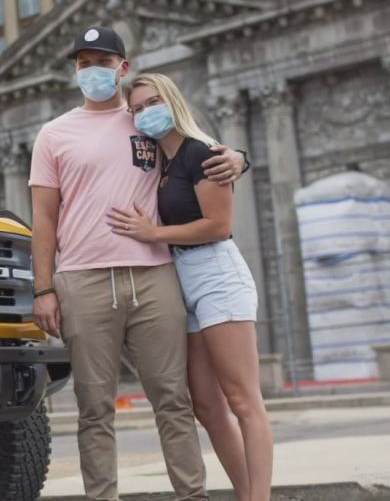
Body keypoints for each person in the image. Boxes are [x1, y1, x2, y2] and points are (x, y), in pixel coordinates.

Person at [29, 26, 247, 501]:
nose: (93, 71)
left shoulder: (147, 119)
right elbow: (43, 217)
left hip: (154, 277)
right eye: (84, 63)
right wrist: (43, 289)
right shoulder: (54, 134)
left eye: (103, 63)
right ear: (75, 71)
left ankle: (193, 496)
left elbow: (199, 152)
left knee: (173, 400)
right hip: (82, 281)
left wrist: (237, 157)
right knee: (94, 409)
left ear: (123, 69)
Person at [108, 73, 273, 501]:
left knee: (243, 400)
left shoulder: (201, 152)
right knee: (206, 405)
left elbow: (218, 226)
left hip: (217, 275)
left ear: (173, 100)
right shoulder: (161, 164)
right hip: (184, 281)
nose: (146, 112)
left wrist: (152, 234)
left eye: (153, 102)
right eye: (138, 108)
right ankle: (244, 494)